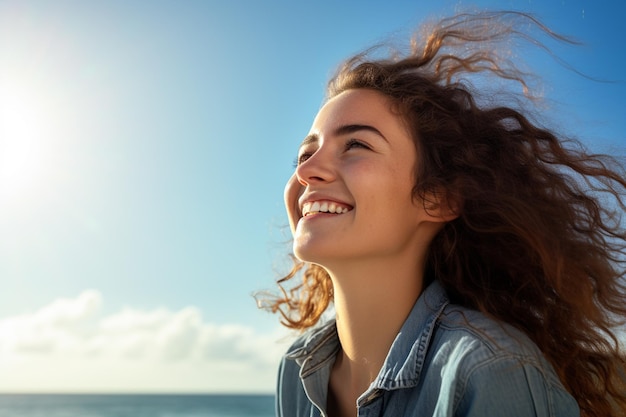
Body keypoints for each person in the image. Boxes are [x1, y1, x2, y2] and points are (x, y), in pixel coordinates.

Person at [262, 10, 626, 417]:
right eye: (305, 154)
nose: (306, 171)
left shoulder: (487, 369)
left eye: (356, 146)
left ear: (437, 199)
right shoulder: (295, 371)